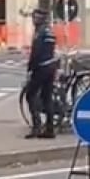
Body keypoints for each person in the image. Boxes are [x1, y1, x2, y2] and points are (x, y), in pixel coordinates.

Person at [25, 9, 60, 139]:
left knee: (30, 95)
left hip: (41, 68)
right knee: (47, 98)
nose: (34, 21)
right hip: (51, 67)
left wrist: (30, 69)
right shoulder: (50, 31)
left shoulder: (39, 33)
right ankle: (50, 129)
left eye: (35, 18)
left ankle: (37, 127)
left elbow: (36, 53)